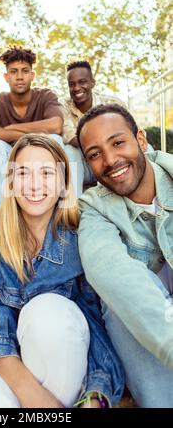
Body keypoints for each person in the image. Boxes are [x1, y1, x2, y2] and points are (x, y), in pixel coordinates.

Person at [0, 134, 124, 408]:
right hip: (5, 361)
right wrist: (33, 395)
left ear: (63, 183)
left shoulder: (80, 236)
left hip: (63, 352)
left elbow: (96, 320)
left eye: (46, 173)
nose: (34, 184)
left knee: (46, 311)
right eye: (23, 173)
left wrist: (97, 391)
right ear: (10, 182)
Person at [77, 103, 173, 408]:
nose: (110, 160)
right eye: (95, 154)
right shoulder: (93, 207)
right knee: (118, 304)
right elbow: (110, 270)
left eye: (118, 142)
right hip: (151, 328)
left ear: (141, 140)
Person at [0, 46, 78, 215]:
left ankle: (66, 216)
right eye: (14, 71)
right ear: (6, 76)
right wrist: (29, 134)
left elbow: (55, 125)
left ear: (33, 75)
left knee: (55, 139)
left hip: (43, 157)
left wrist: (9, 129)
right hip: (11, 159)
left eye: (25, 71)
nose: (19, 76)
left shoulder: (45, 95)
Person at [62, 60, 126, 197]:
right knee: (69, 150)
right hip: (83, 165)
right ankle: (73, 207)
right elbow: (70, 137)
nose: (77, 88)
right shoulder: (63, 106)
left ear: (92, 83)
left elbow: (131, 135)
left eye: (82, 82)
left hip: (111, 160)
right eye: (71, 84)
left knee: (146, 148)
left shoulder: (113, 104)